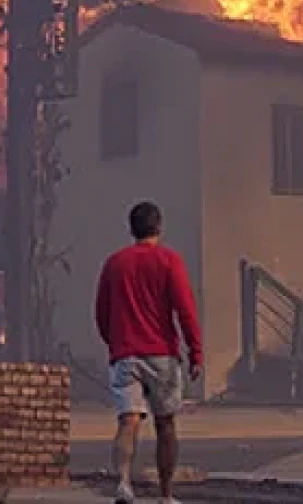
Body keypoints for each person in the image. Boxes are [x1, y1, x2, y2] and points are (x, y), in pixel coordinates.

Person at [96, 201, 203, 504]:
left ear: (131, 229)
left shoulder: (114, 264)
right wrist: (195, 351)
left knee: (127, 420)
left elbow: (102, 312)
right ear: (159, 227)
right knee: (165, 423)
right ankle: (166, 494)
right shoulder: (169, 261)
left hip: (125, 355)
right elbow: (185, 310)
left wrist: (115, 343)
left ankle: (123, 484)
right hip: (162, 355)